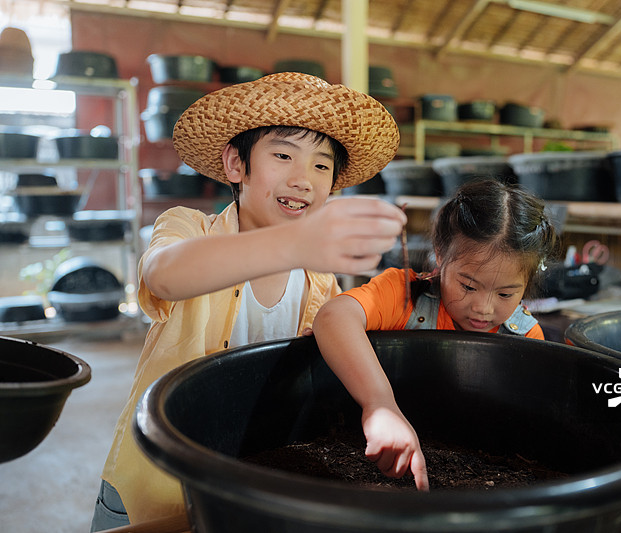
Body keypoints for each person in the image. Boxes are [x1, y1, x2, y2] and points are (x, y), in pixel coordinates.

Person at [91, 72, 406, 530]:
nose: (303, 179)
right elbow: (164, 276)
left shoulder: (319, 276)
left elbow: (339, 339)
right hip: (158, 478)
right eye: (283, 155)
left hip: (248, 476)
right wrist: (295, 244)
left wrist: (381, 403)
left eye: (321, 166)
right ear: (236, 166)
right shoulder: (186, 228)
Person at [312, 178, 559, 491]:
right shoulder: (403, 296)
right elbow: (334, 317)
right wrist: (380, 404)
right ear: (440, 255)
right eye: (468, 286)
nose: (483, 308)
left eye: (506, 294)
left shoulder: (526, 337)